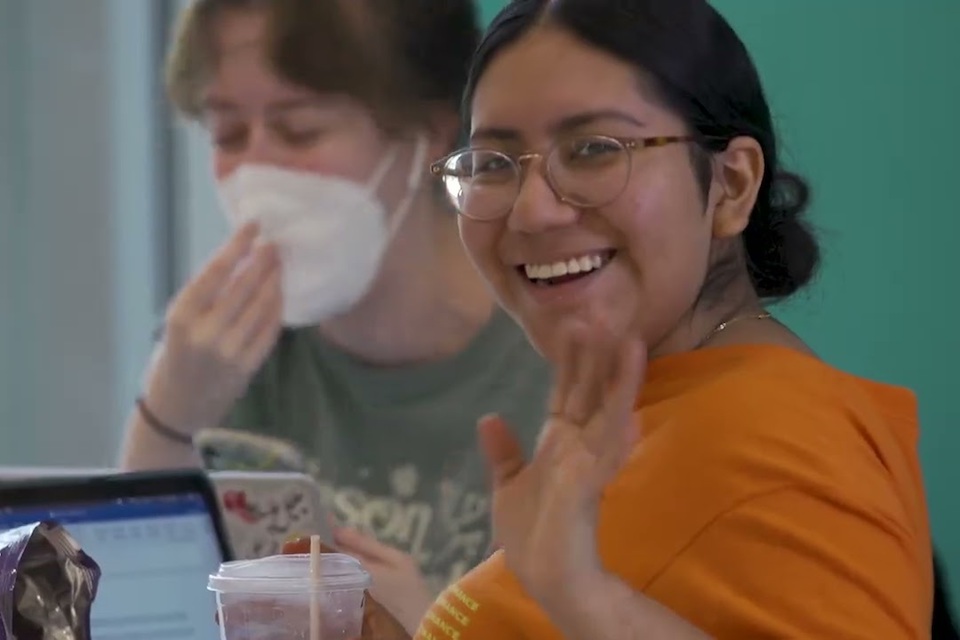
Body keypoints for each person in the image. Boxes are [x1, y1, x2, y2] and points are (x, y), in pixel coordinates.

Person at [406, 0, 932, 637]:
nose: (532, 212)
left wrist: (582, 596)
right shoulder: (655, 408)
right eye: (492, 163)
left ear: (732, 185)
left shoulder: (779, 445)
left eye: (594, 149)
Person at [119, 0, 551, 633]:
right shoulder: (216, 352)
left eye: (299, 130)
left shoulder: (556, 353)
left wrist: (442, 624)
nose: (257, 170)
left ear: (428, 133)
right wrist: (168, 414)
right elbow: (130, 604)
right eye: (228, 135)